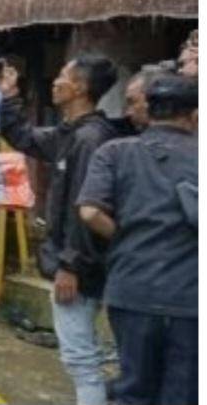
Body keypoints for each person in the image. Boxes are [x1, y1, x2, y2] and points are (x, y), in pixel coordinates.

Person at [0, 55, 122, 405]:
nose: (55, 81)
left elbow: (86, 211)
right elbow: (23, 137)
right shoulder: (70, 133)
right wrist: (9, 97)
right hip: (73, 263)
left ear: (80, 87)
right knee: (82, 354)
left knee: (81, 358)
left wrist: (70, 265)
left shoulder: (91, 139)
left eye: (63, 76)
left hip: (80, 268)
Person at [78, 75, 198, 405]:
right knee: (183, 391)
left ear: (148, 110)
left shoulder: (115, 152)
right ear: (194, 115)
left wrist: (126, 236)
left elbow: (89, 212)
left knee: (133, 389)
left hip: (132, 288)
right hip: (190, 297)